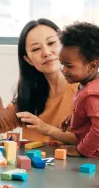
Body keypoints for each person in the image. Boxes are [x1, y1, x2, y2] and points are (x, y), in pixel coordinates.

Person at [0, 18, 78, 142]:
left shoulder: (85, 90)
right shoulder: (30, 95)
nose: (46, 52)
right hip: (32, 161)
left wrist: (46, 128)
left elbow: (90, 141)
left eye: (51, 43)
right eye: (36, 49)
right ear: (28, 59)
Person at [18, 22, 99, 158]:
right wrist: (76, 116)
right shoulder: (87, 85)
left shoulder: (91, 94)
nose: (63, 70)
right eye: (62, 64)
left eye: (69, 66)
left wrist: (81, 150)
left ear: (92, 66)